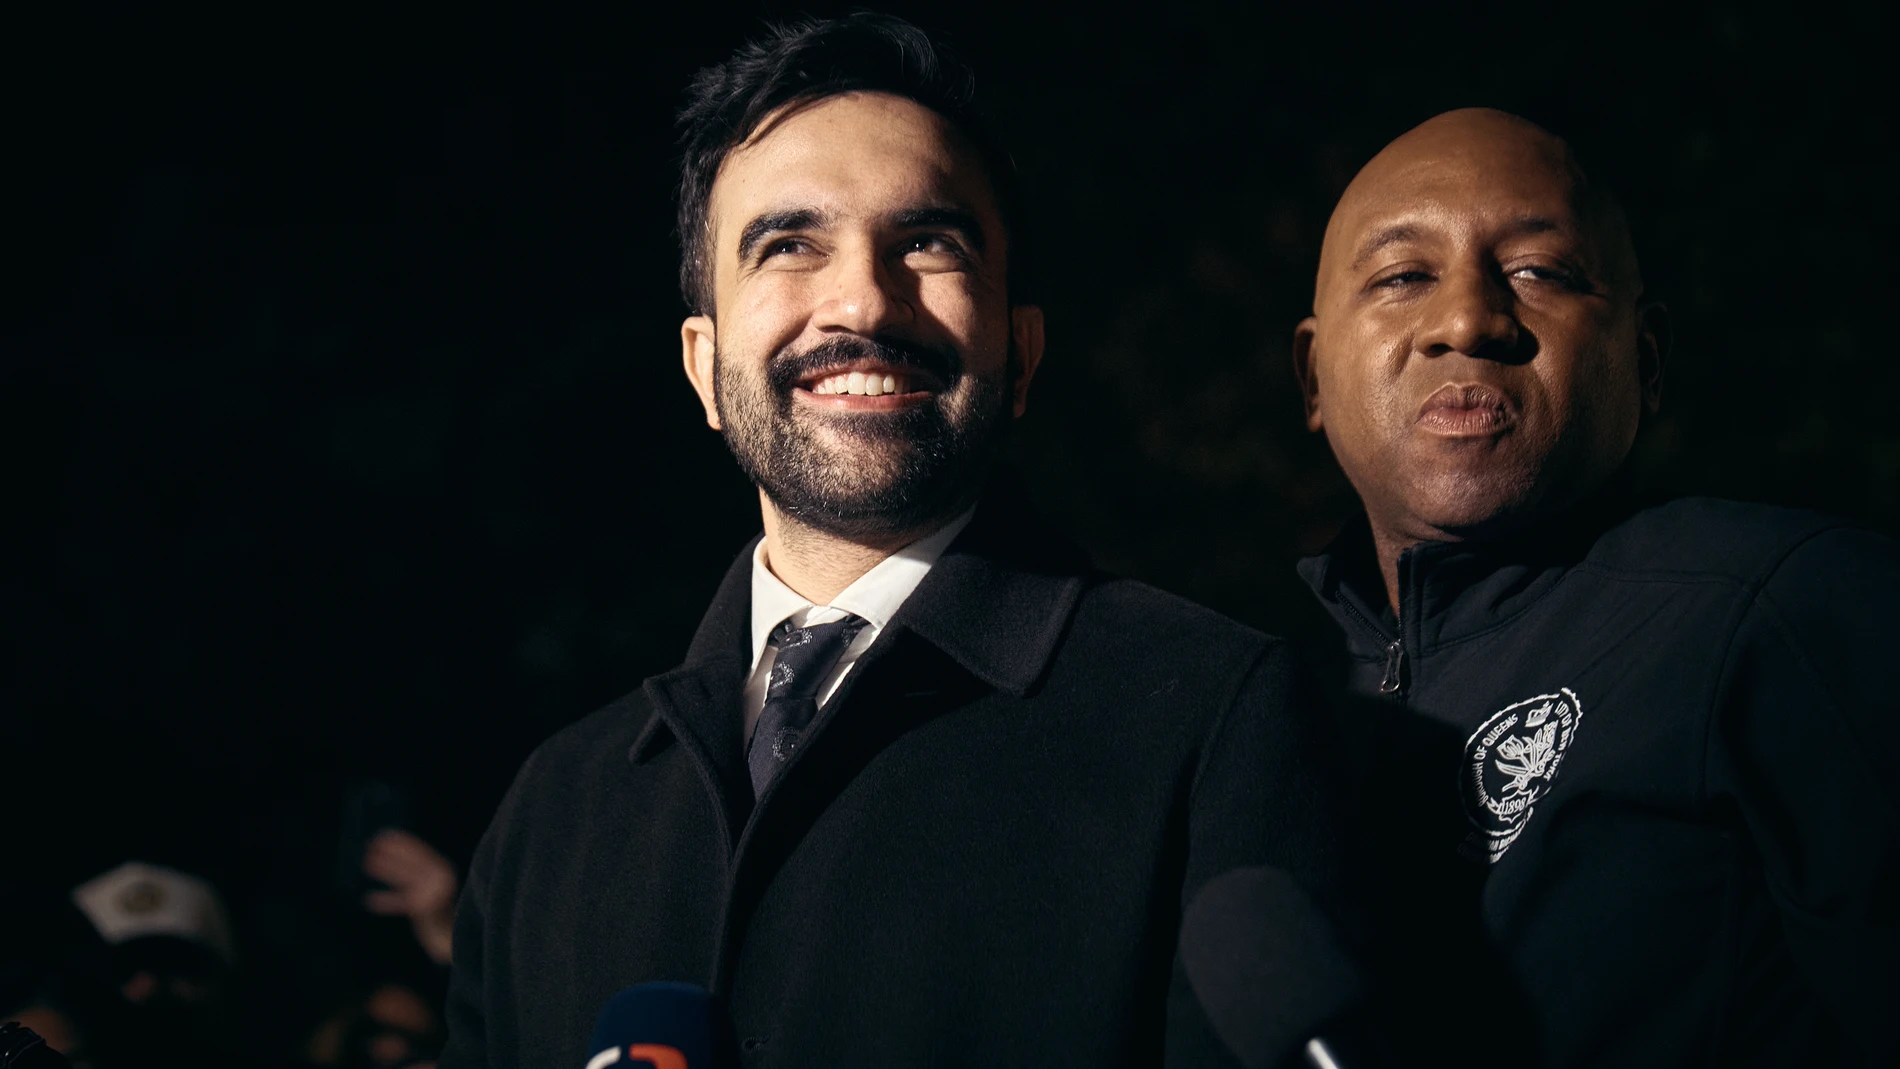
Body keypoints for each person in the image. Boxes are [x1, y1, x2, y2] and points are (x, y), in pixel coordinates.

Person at [441, 13, 1343, 1068]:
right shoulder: (553, 815)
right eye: (790, 245)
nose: (864, 297)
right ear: (703, 366)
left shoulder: (1215, 724)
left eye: (928, 241)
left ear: (1022, 350)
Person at [1289, 107, 1898, 1066]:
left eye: (1540, 274)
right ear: (1313, 377)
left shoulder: (1786, 609)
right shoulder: (1266, 711)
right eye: (1404, 277)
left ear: (1645, 360)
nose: (1467, 321)